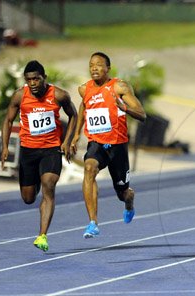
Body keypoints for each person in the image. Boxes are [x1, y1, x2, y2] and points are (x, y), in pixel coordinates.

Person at [0, 60, 77, 252]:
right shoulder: (19, 96)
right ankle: (33, 184)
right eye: (29, 80)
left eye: (36, 79)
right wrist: (4, 147)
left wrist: (67, 141)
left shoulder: (59, 95)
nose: (33, 83)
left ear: (44, 78)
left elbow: (74, 115)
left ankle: (42, 235)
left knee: (48, 187)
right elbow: (8, 121)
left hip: (51, 149)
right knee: (28, 198)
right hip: (28, 151)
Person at [70, 52, 146, 238]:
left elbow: (142, 114)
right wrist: (75, 136)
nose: (94, 68)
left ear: (108, 68)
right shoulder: (84, 89)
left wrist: (124, 108)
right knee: (89, 168)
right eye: (91, 65)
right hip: (96, 143)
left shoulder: (119, 87)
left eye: (98, 65)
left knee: (123, 193)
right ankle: (93, 223)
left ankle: (129, 202)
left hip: (118, 146)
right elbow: (83, 106)